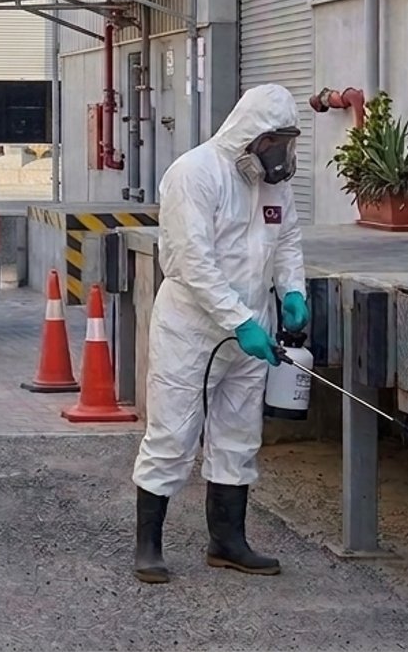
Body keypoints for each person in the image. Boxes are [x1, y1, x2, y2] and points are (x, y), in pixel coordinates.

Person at [130, 84, 308, 584]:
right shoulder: (194, 174)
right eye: (274, 142)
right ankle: (149, 547)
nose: (280, 154)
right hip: (192, 330)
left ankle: (227, 542)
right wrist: (239, 322)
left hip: (253, 329)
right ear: (248, 134)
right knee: (173, 434)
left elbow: (288, 240)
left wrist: (292, 291)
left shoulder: (274, 182)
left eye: (286, 143)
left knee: (238, 436)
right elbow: (194, 264)